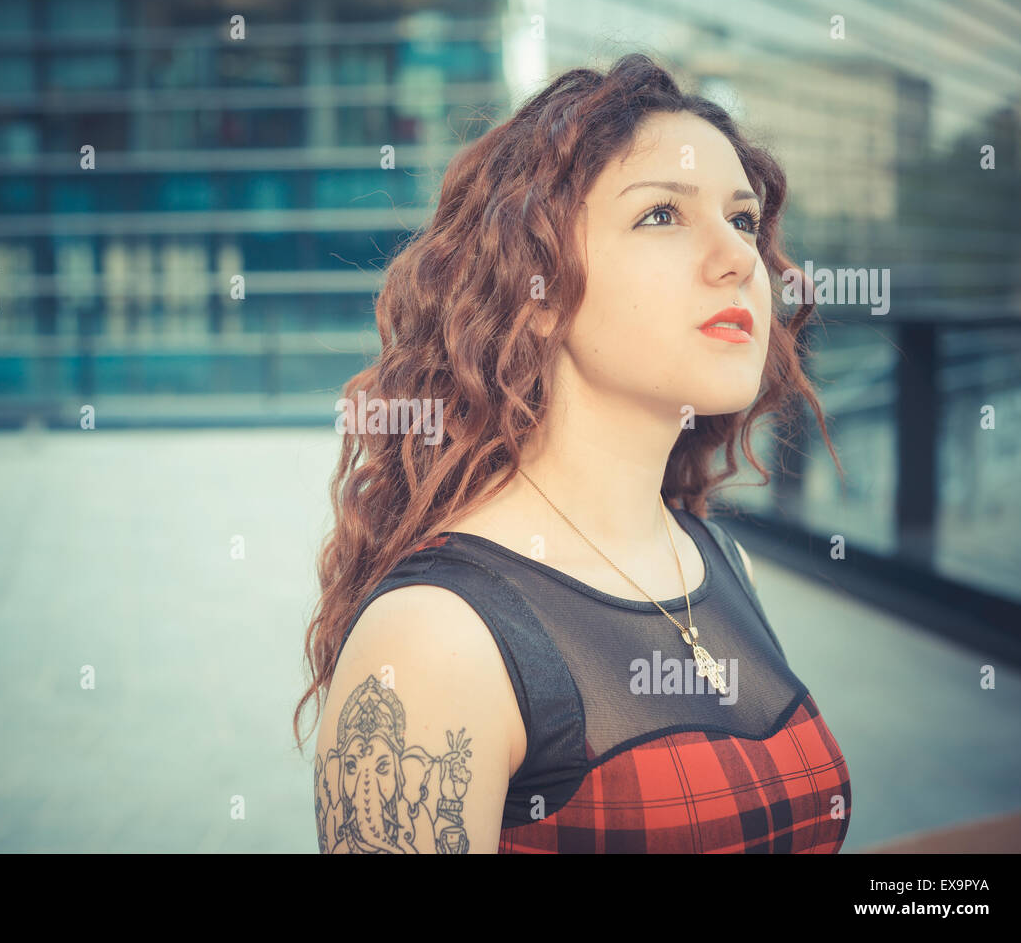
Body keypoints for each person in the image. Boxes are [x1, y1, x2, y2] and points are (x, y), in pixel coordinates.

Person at [297, 53, 850, 853]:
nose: (738, 258)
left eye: (741, 218)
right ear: (541, 291)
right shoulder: (435, 636)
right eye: (661, 214)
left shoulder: (721, 560)